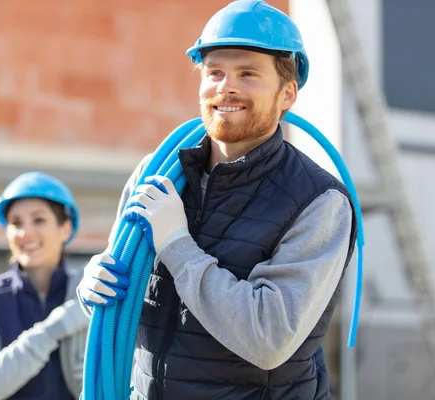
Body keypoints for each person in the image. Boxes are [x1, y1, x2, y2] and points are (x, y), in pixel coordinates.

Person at [77, 1, 358, 399]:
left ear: (288, 94)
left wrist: (177, 244)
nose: (226, 87)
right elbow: (130, 298)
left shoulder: (319, 201)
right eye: (215, 72)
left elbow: (268, 339)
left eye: (248, 74)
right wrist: (94, 290)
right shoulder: (155, 174)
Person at [0, 171, 89, 400]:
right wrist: (53, 329)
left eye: (39, 220)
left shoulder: (91, 293)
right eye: (15, 222)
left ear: (65, 229)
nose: (25, 233)